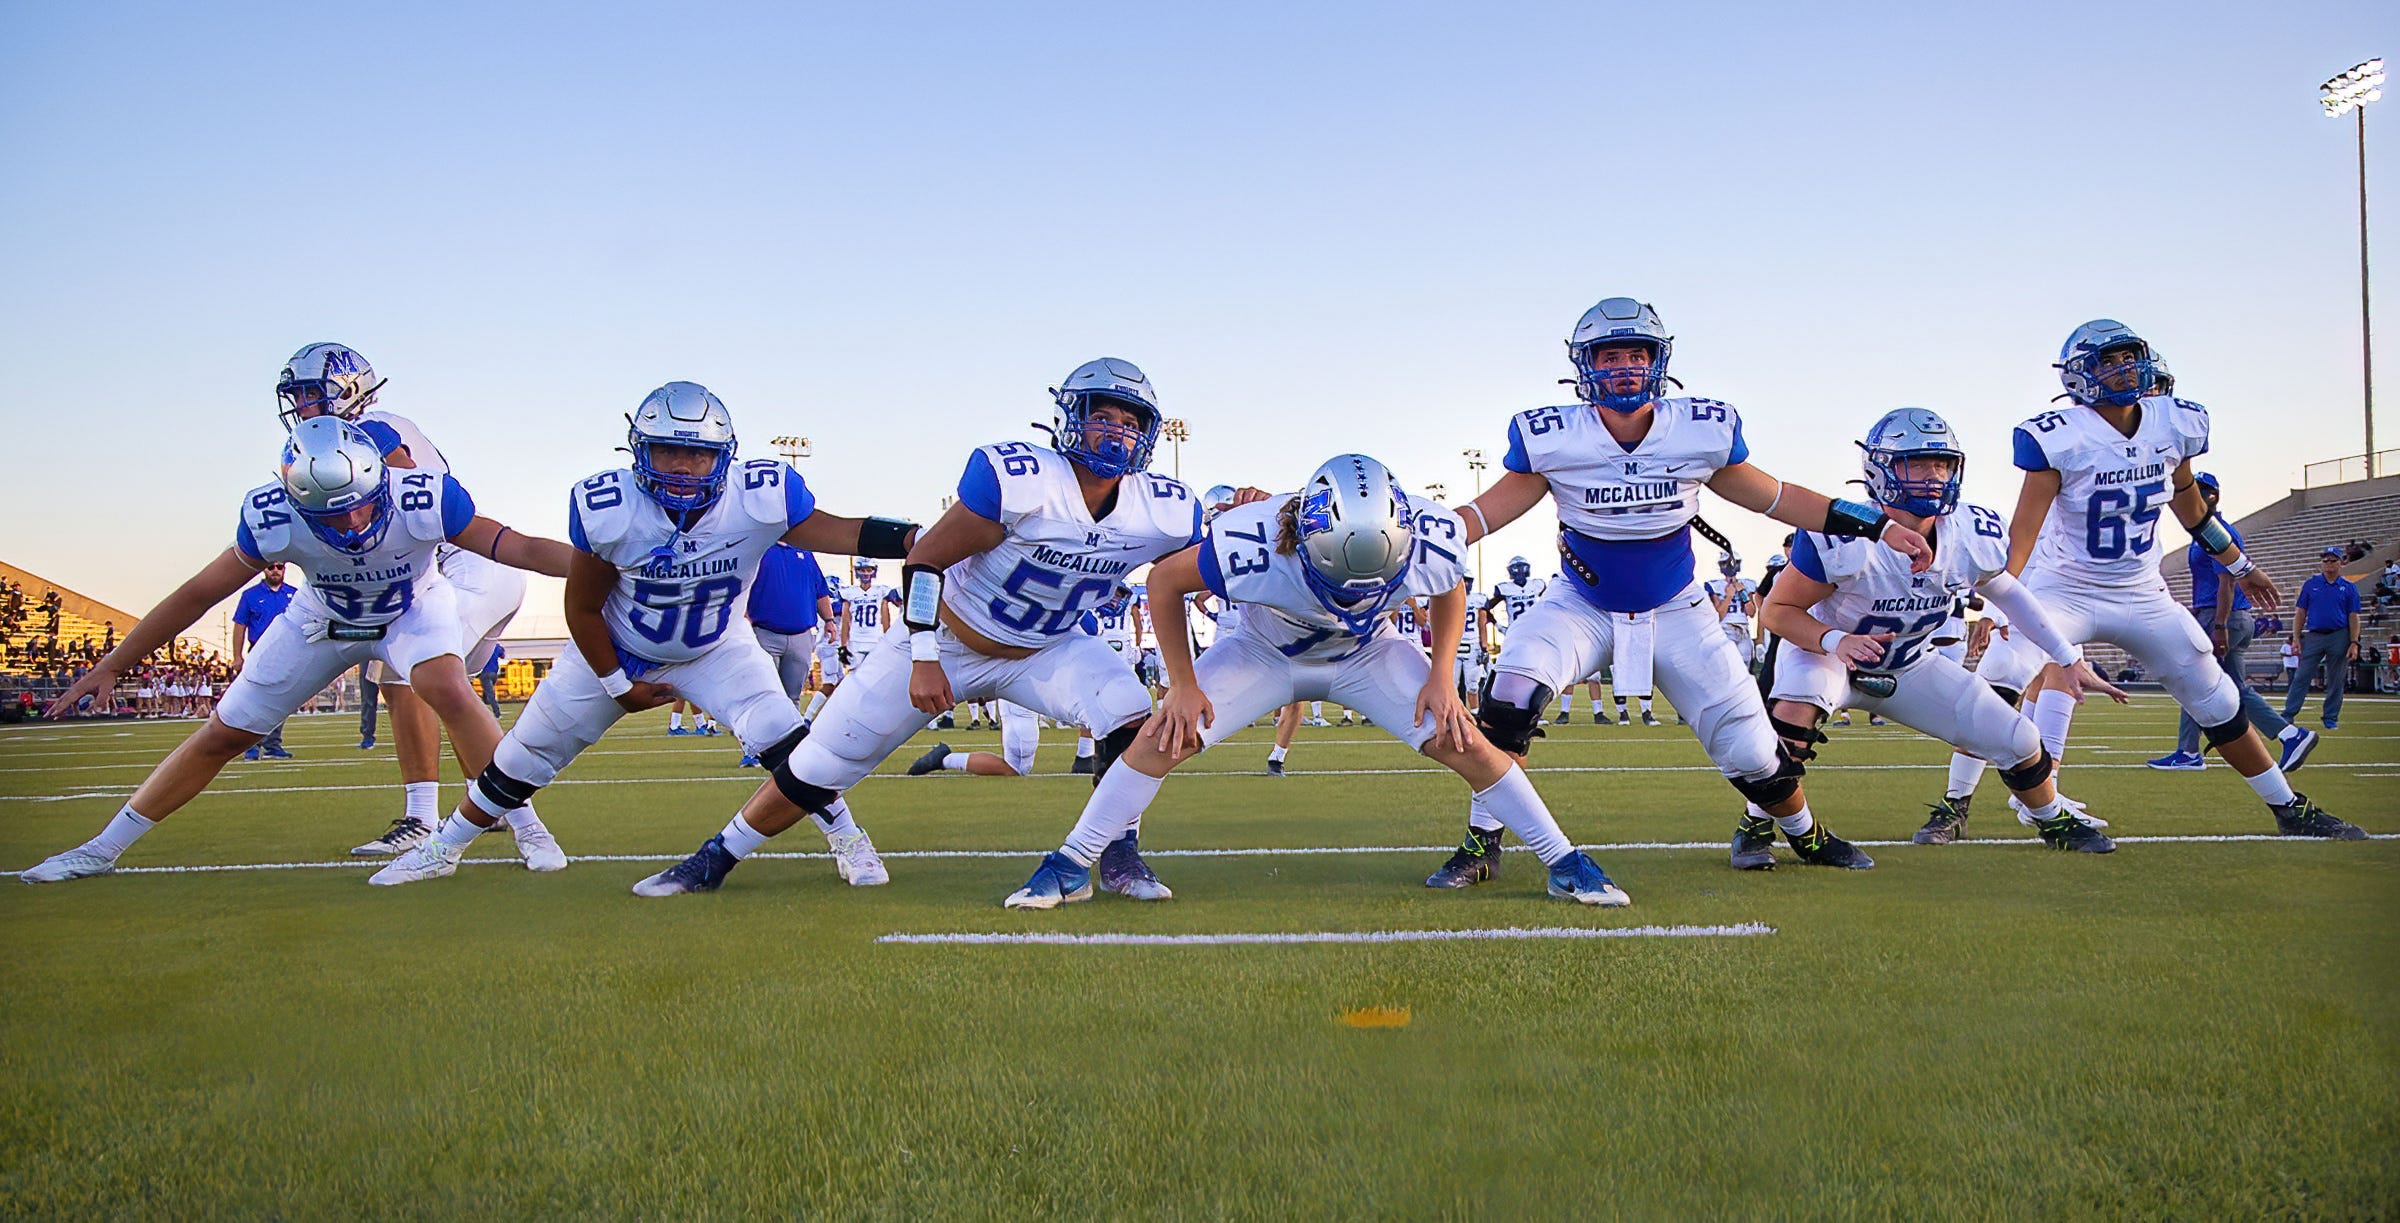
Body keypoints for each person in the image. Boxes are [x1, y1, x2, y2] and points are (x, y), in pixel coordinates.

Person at [632, 358, 1202, 899]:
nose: (1116, 433)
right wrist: (925, 655)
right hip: (947, 639)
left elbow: (1204, 569)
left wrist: (1249, 511)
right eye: (1102, 417)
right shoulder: (1023, 480)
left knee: (1128, 707)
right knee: (822, 763)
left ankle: (1118, 854)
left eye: (1131, 423)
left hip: (1048, 649)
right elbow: (925, 559)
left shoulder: (1164, 509)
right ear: (1071, 418)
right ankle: (716, 857)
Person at [1429, 297, 1928, 884]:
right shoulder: (1552, 437)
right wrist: (1409, 533)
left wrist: (1876, 523)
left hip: (1678, 608)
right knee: (1509, 696)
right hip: (1580, 604)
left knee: (1752, 754)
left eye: (1636, 355)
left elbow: (1779, 497)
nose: (1624, 369)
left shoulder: (1698, 431)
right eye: (1609, 356)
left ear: (1658, 361)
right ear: (1583, 365)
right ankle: (1481, 841)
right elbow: (1479, 518)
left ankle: (1805, 834)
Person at [1007, 454, 1626, 908]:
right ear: (1303, 541)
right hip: (1263, 650)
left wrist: (1441, 674)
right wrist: (1182, 683)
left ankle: (1565, 861)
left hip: (1366, 653)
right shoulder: (1251, 541)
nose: (1355, 596)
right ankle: (1068, 864)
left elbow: (1452, 585)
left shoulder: (1432, 537)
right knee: (1166, 735)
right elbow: (1164, 583)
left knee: (1460, 740)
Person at [367, 381, 921, 886]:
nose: (682, 467)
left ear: (722, 456)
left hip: (715, 646)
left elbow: (841, 532)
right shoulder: (610, 507)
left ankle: (849, 838)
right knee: (524, 754)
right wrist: (617, 685)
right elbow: (582, 608)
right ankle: (444, 848)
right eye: (667, 451)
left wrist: (920, 538)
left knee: (787, 740)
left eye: (697, 453)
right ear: (639, 450)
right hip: (619, 642)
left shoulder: (760, 494)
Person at [23, 417, 577, 883]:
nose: (354, 521)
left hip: (411, 607)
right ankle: (101, 848)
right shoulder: (273, 517)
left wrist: (607, 571)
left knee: (446, 688)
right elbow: (197, 593)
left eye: (361, 505)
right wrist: (114, 665)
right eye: (333, 515)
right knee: (225, 732)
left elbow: (518, 546)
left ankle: (529, 827)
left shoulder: (423, 496)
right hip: (322, 617)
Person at [1945, 320, 2358, 840]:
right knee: (2002, 675)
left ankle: (2288, 807)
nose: (2122, 369)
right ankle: (1953, 806)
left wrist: (2241, 565)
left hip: (2140, 590)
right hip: (2064, 585)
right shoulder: (2058, 437)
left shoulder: (2172, 423)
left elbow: (2190, 506)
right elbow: (2021, 537)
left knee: (2216, 698)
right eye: (2108, 361)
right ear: (2080, 375)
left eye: (2128, 357)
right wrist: (1998, 611)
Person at [1762, 409, 2119, 851]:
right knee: (1791, 727)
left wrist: (2067, 657)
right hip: (1828, 653)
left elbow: (2010, 593)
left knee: (2019, 737)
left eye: (1942, 463)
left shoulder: (1969, 531)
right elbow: (1776, 611)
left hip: (1910, 664)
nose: (1933, 475)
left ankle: (2052, 819)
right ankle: (1764, 827)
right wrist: (1836, 640)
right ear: (1882, 469)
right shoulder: (1846, 531)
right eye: (1918, 463)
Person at [264, 343, 552, 861]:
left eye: (312, 392)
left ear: (348, 388)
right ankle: (494, 807)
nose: (303, 405)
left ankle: (425, 818)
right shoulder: (372, 429)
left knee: (406, 675)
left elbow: (399, 504)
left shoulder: (373, 432)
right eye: (298, 395)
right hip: (470, 573)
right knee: (437, 689)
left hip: (467, 567)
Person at [2145, 473, 2314, 772]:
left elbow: (2227, 583)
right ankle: (2290, 735)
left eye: (2199, 492)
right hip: (2227, 616)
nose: (2191, 497)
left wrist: (2219, 625)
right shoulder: (2208, 532)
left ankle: (2188, 752)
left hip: (2224, 617)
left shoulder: (2217, 532)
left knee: (2192, 678)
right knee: (2231, 686)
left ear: (2212, 496)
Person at [742, 543, 837, 766]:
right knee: (763, 695)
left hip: (801, 634)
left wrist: (830, 621)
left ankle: (788, 751)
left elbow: (820, 591)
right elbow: (741, 586)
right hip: (765, 631)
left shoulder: (805, 552)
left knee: (792, 696)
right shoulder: (760, 548)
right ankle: (753, 749)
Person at [2283, 547, 2363, 730]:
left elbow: (2353, 615)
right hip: (2315, 635)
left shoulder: (2349, 587)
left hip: (2339, 635)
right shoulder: (2311, 584)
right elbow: (2301, 612)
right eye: (2325, 560)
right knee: (2302, 676)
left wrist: (2354, 642)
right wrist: (2296, 637)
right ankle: (2288, 714)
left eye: (2333, 560)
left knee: (2336, 678)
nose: (2328, 563)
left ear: (2341, 562)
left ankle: (2330, 716)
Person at [229, 562, 298, 760]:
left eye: (279, 566)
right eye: (270, 567)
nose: (275, 570)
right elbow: (239, 626)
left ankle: (272, 744)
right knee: (256, 700)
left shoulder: (295, 594)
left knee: (282, 700)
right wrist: (237, 656)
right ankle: (251, 745)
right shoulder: (250, 595)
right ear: (264, 570)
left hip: (287, 652)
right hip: (259, 652)